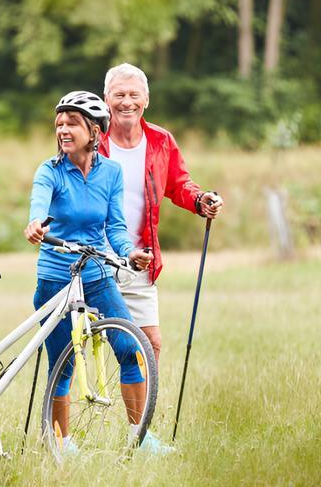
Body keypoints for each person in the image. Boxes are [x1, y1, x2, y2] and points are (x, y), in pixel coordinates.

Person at [100, 63, 223, 451]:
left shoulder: (160, 142)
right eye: (119, 94)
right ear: (106, 99)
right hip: (93, 258)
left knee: (149, 345)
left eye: (134, 94)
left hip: (139, 260)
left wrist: (201, 200)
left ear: (146, 100)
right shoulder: (92, 138)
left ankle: (140, 434)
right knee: (75, 346)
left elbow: (179, 184)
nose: (127, 102)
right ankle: (61, 436)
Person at [24, 90, 154, 454]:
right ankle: (61, 443)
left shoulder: (110, 172)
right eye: (59, 124)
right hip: (56, 278)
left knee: (131, 349)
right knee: (62, 364)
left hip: (96, 274)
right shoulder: (50, 171)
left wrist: (130, 253)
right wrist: (36, 223)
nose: (63, 130)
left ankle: (139, 438)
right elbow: (39, 203)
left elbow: (115, 226)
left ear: (95, 130)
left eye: (72, 124)